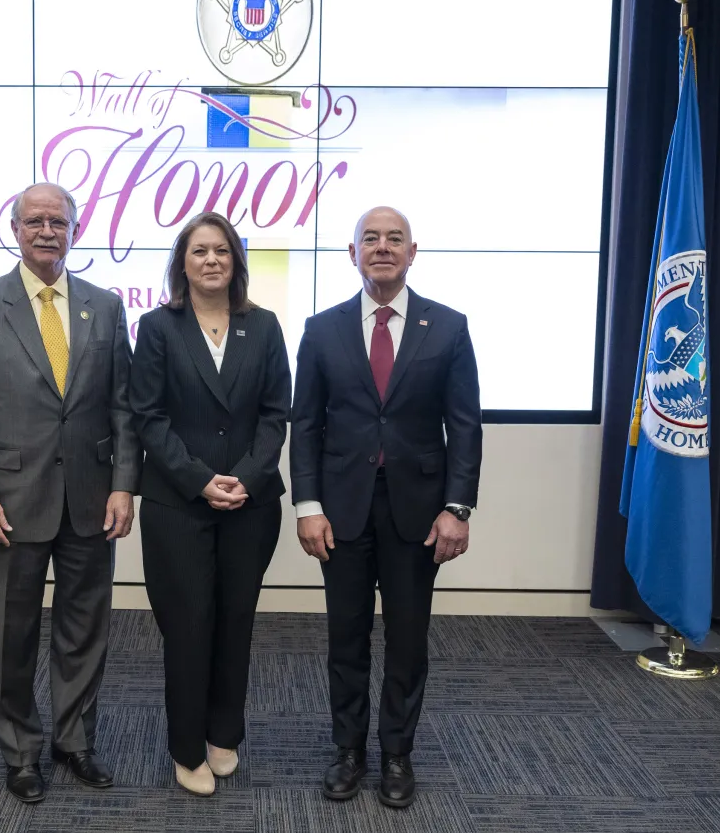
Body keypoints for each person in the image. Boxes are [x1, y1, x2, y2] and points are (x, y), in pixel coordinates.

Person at [0, 182, 141, 804]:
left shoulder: (104, 307)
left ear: (74, 229)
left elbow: (123, 408)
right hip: (9, 502)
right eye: (35, 221)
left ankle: (74, 741)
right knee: (9, 634)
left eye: (58, 220)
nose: (47, 230)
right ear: (16, 229)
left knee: (84, 629)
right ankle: (20, 751)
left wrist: (123, 486)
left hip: (89, 500)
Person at [290, 206, 482, 809]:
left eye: (393, 239)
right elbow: (305, 426)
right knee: (345, 639)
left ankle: (397, 754)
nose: (381, 247)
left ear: (412, 252)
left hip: (418, 515)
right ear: (351, 254)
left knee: (407, 640)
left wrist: (458, 508)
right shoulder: (322, 330)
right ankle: (348, 751)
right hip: (341, 512)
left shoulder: (447, 328)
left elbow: (465, 426)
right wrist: (307, 505)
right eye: (369, 239)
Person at [128, 212, 291, 796]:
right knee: (189, 625)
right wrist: (201, 480)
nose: (212, 260)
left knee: (235, 621)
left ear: (236, 262)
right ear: (182, 263)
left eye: (222, 250)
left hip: (251, 504)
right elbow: (148, 416)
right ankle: (187, 747)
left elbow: (276, 415)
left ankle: (225, 733)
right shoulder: (158, 327)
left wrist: (246, 477)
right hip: (179, 503)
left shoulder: (264, 327)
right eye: (199, 251)